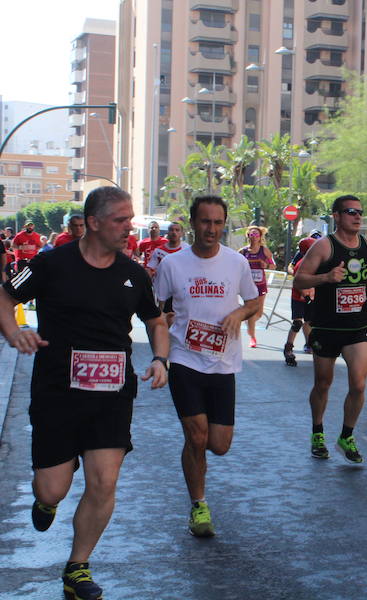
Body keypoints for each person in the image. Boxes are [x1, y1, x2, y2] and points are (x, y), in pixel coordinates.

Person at [0, 186, 169, 600]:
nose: (129, 227)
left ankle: (77, 567)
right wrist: (14, 331)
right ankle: (47, 498)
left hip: (111, 394)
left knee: (104, 482)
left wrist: (161, 359)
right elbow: (5, 295)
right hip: (57, 392)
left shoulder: (133, 273)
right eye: (120, 220)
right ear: (93, 223)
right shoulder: (51, 263)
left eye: (130, 219)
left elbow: (156, 321)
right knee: (52, 489)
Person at [155, 195, 261, 538]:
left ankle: (194, 458)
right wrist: (164, 323)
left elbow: (255, 300)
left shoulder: (236, 263)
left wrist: (239, 313)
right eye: (205, 222)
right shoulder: (173, 265)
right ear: (193, 223)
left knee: (218, 444)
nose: (211, 229)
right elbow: (157, 308)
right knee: (197, 435)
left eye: (217, 222)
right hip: (185, 358)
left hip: (223, 362)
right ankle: (198, 504)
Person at [293, 195, 367, 464]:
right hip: (326, 326)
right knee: (323, 383)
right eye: (350, 211)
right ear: (337, 216)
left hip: (357, 325)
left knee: (358, 384)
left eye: (360, 212)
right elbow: (299, 280)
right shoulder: (324, 246)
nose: (357, 216)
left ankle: (346, 435)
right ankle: (317, 432)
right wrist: (326, 277)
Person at [283, 230, 322, 366]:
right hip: (299, 298)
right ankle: (288, 348)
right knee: (297, 323)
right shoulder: (301, 264)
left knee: (310, 322)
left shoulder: (315, 263)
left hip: (310, 297)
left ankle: (311, 344)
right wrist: (305, 294)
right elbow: (297, 282)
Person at [239, 225, 275, 348]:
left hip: (260, 284)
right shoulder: (243, 252)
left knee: (258, 313)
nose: (254, 237)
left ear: (260, 237)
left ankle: (249, 322)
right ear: (248, 235)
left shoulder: (264, 250)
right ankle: (253, 337)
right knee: (251, 311)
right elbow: (234, 265)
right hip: (247, 285)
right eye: (252, 234)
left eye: (256, 234)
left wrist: (265, 265)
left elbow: (273, 266)